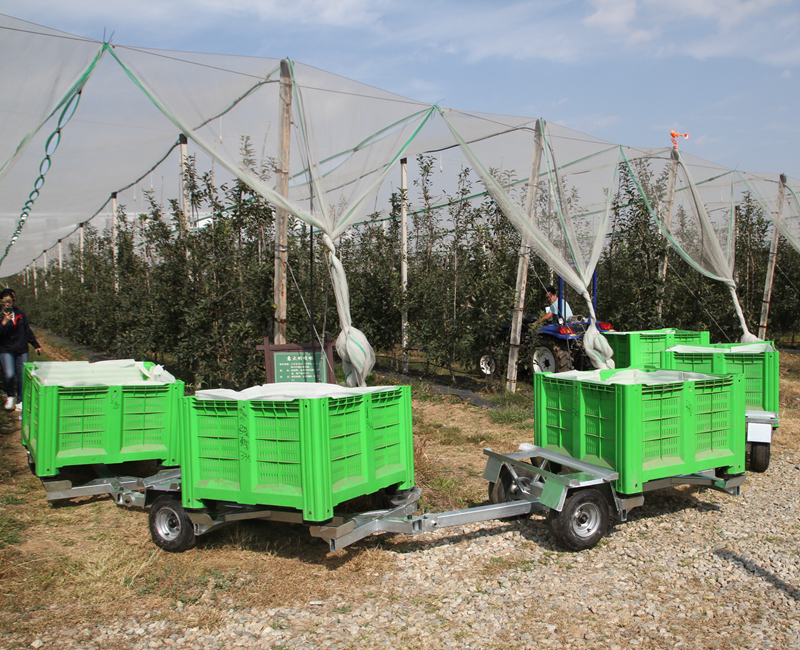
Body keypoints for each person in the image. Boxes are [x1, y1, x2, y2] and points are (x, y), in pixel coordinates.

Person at [0, 288, 41, 411]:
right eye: (5, 301)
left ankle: (20, 400)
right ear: (1, 302)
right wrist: (4, 322)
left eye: (10, 301)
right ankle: (10, 396)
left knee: (22, 376)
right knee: (9, 374)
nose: (8, 304)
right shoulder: (0, 316)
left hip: (22, 349)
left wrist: (36, 344)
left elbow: (27, 330)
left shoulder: (20, 314)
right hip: (6, 349)